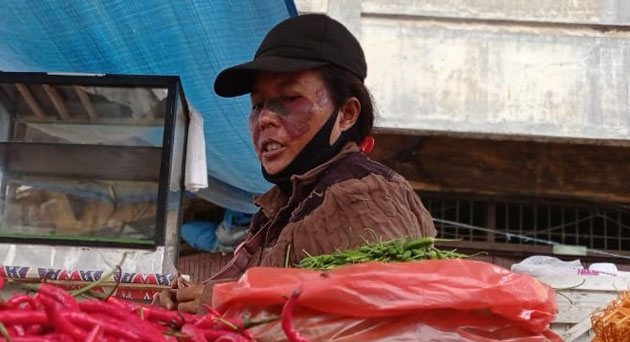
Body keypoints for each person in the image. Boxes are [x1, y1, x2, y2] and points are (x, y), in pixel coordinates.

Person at [164, 13, 436, 312]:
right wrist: (191, 299)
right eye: (257, 105)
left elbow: (370, 324)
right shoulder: (287, 202)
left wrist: (229, 305)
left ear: (346, 114)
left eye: (290, 98)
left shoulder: (365, 198)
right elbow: (279, 293)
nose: (265, 118)